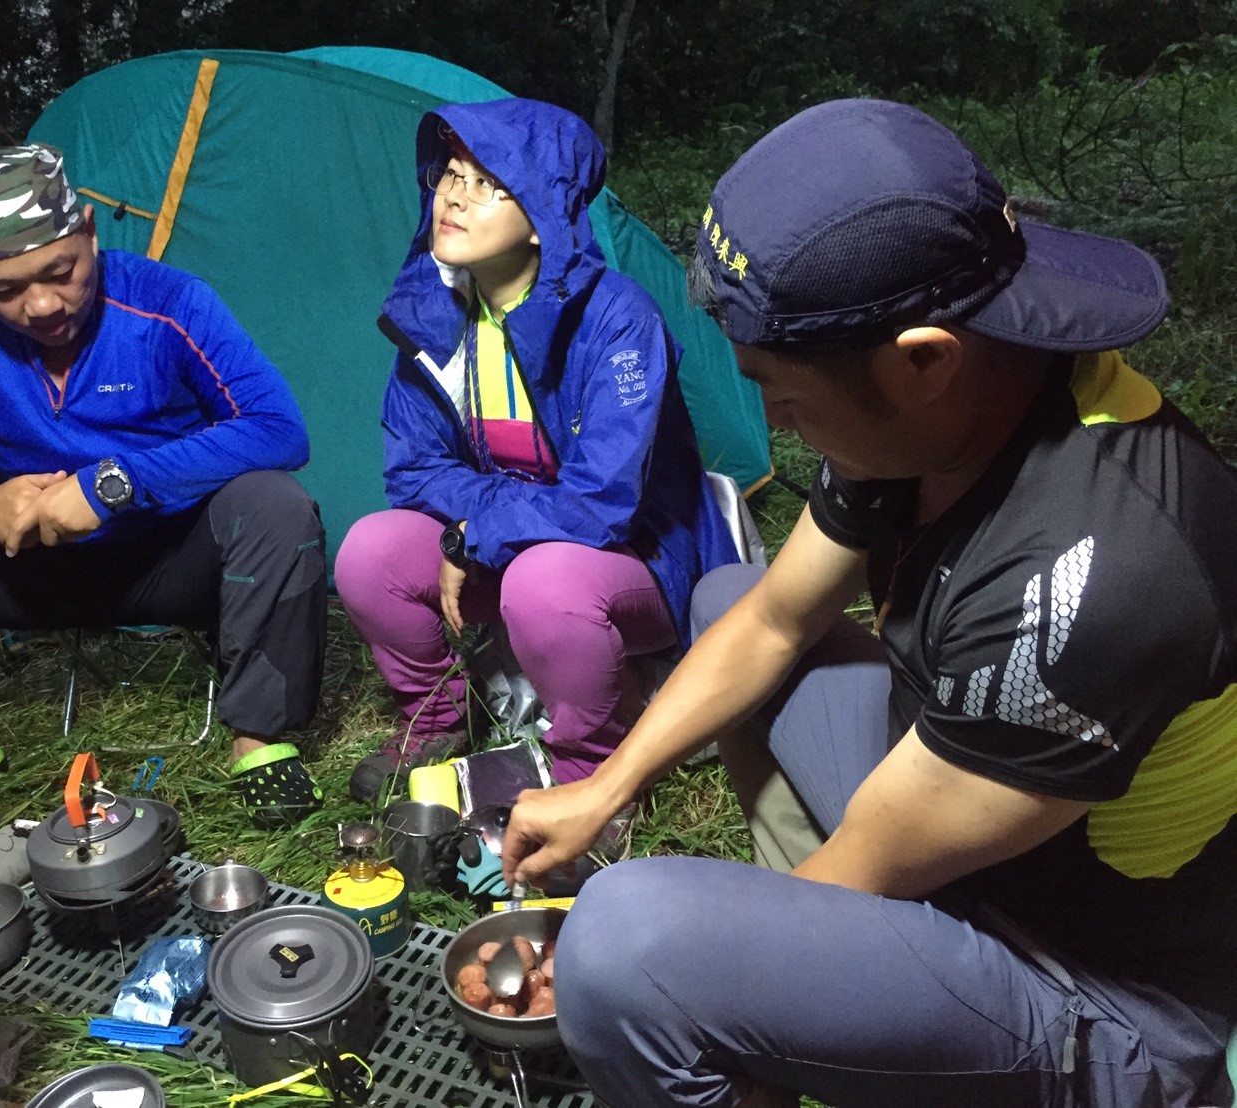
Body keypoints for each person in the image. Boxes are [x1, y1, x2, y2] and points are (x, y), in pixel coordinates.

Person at [502, 99, 1236, 1108]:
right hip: (964, 812)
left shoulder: (1097, 575)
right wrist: (608, 786)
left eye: (783, 393)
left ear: (924, 358)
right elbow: (773, 621)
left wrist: (707, 984)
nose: (774, 422)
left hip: (1094, 993)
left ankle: (773, 1037)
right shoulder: (956, 397)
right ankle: (796, 998)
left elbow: (865, 867)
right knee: (729, 598)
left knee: (625, 946)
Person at [0, 144, 327, 826]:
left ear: (88, 231)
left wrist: (115, 484)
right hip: (24, 567)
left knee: (275, 504)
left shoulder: (170, 302)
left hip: (167, 561)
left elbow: (277, 428)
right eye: (3, 290)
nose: (43, 304)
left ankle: (260, 740)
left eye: (62, 271)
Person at [333, 99, 739, 803]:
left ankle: (591, 770)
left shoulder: (617, 320)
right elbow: (416, 470)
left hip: (636, 561)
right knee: (370, 555)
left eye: (488, 183)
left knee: (542, 582)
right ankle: (439, 718)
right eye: (450, 174)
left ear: (542, 218)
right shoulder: (436, 315)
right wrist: (482, 527)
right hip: (508, 550)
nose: (455, 196)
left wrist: (478, 531)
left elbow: (601, 504)